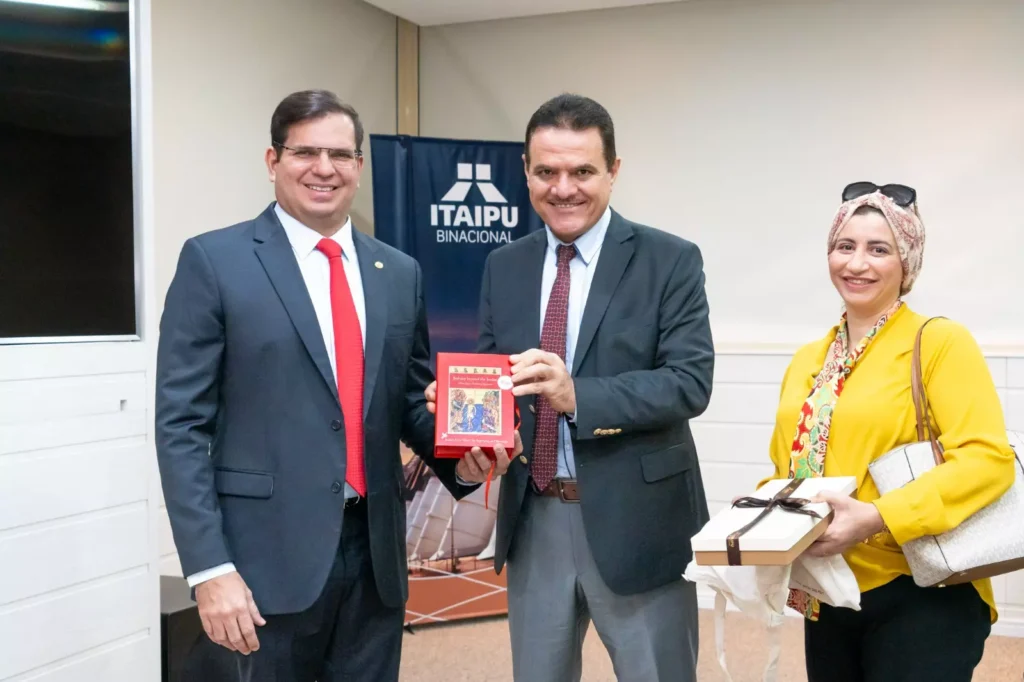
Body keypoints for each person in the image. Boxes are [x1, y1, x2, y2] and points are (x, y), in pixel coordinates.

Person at [155, 89, 514, 682]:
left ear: (359, 166)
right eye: (306, 152)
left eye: (341, 155)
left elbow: (408, 398)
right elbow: (181, 427)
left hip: (375, 558)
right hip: (261, 564)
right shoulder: (215, 262)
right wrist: (208, 569)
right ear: (273, 161)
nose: (325, 169)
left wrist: (464, 462)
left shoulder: (399, 273)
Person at [427, 93, 715, 681]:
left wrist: (577, 396)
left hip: (639, 523)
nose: (564, 188)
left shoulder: (670, 260)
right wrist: (466, 421)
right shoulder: (503, 265)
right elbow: (493, 383)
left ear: (613, 170)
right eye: (547, 172)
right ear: (526, 173)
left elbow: (689, 383)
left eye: (583, 171)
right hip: (534, 521)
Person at [758, 181, 1016, 682]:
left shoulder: (939, 342)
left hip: (922, 588)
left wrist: (877, 516)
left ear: (908, 263)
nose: (857, 264)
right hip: (829, 589)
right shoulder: (808, 359)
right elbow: (785, 467)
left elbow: (988, 459)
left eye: (879, 249)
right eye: (845, 246)